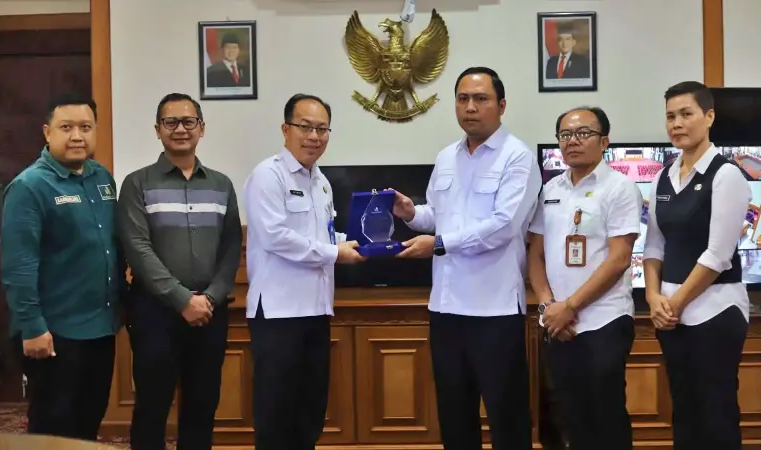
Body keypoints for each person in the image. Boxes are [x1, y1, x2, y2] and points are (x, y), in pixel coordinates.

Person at [391, 67, 541, 450]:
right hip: (445, 309)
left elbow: (504, 226)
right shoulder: (446, 157)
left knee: (507, 417)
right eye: (463, 99)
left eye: (481, 99)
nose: (470, 107)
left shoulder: (518, 157)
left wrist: (439, 244)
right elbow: (437, 215)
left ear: (501, 105)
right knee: (455, 417)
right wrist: (411, 213)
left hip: (495, 311)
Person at [117, 92, 243, 450]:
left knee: (203, 406)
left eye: (188, 121)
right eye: (170, 122)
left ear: (202, 128)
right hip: (155, 313)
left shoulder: (221, 185)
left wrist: (210, 298)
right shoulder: (137, 183)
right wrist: (181, 299)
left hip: (210, 312)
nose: (180, 129)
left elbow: (231, 247)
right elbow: (138, 249)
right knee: (152, 407)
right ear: (157, 130)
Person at [242, 93, 365, 450]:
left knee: (309, 412)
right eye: (305, 127)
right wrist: (336, 254)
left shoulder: (321, 182)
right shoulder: (268, 176)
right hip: (278, 314)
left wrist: (357, 244)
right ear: (286, 129)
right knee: (276, 415)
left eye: (322, 129)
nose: (314, 136)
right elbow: (276, 238)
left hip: (315, 310)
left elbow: (322, 235)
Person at [0, 93, 124, 441]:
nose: (77, 136)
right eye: (66, 127)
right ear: (47, 132)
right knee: (52, 432)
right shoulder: (29, 187)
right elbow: (18, 267)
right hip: (54, 333)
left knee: (88, 425)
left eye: (85, 127)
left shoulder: (102, 178)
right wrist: (32, 327)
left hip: (101, 329)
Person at [643, 81, 751, 450]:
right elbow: (654, 244)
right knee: (685, 412)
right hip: (670, 315)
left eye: (686, 114)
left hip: (715, 311)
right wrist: (653, 297)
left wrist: (674, 303)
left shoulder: (727, 174)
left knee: (715, 414)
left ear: (709, 116)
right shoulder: (662, 176)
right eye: (670, 116)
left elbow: (718, 255)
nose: (677, 123)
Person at [528, 106, 642, 450]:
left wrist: (571, 307)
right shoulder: (550, 189)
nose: (572, 141)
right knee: (569, 417)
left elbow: (619, 259)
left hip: (605, 321)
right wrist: (548, 306)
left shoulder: (620, 187)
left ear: (604, 141)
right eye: (565, 135)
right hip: (558, 324)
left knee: (605, 417)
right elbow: (535, 254)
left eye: (583, 133)